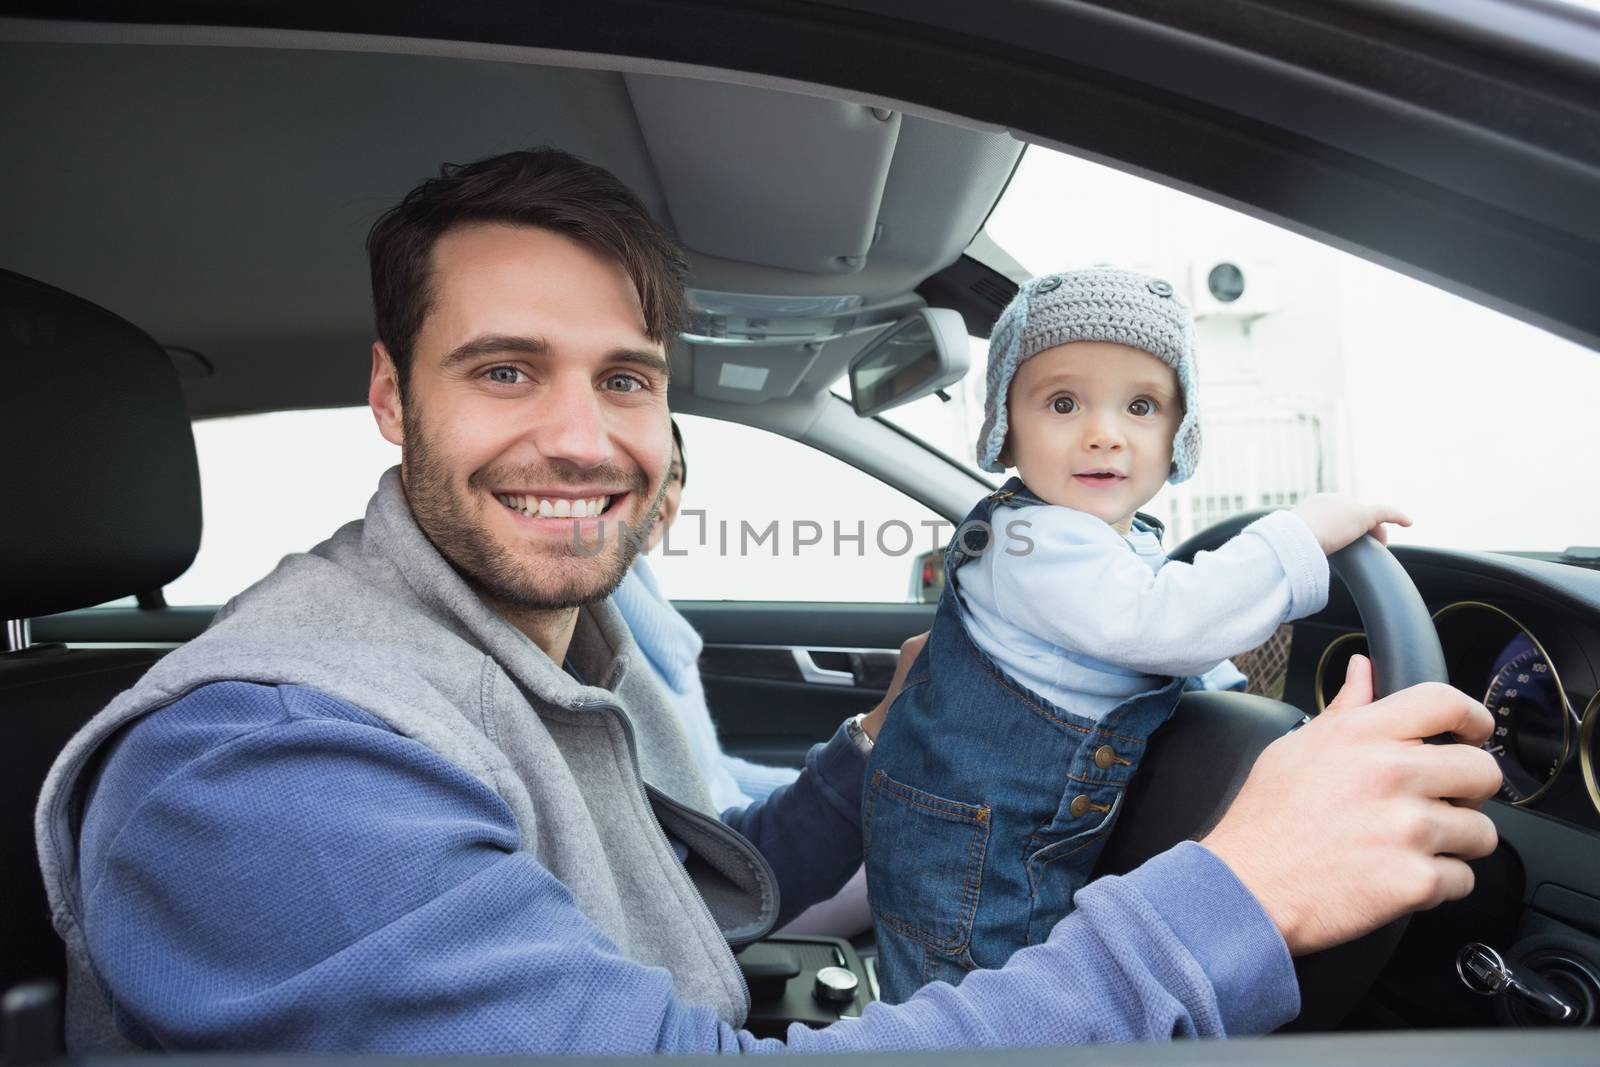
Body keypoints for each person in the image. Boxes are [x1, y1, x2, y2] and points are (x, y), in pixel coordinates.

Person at [35, 149, 1502, 1054]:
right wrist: (1233, 899)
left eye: (627, 378)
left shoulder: (507, 663)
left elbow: (661, 893)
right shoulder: (263, 767)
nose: (580, 434)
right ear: (388, 398)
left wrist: (888, 748)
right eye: (502, 369)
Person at [863, 268, 1417, 1001]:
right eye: (1064, 402)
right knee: (985, 1018)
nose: (1104, 433)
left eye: (1142, 405)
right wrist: (1301, 533)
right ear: (1006, 426)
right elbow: (1162, 624)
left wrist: (1242, 699)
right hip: (974, 860)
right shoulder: (1036, 543)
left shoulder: (1106, 541)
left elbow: (1165, 654)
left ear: (1178, 432)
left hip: (975, 837)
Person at [612, 418, 801, 811]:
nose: (661, 492)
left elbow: (710, 772)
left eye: (675, 476)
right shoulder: (604, 638)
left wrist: (811, 786)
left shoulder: (647, 601)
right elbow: (699, 814)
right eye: (640, 470)